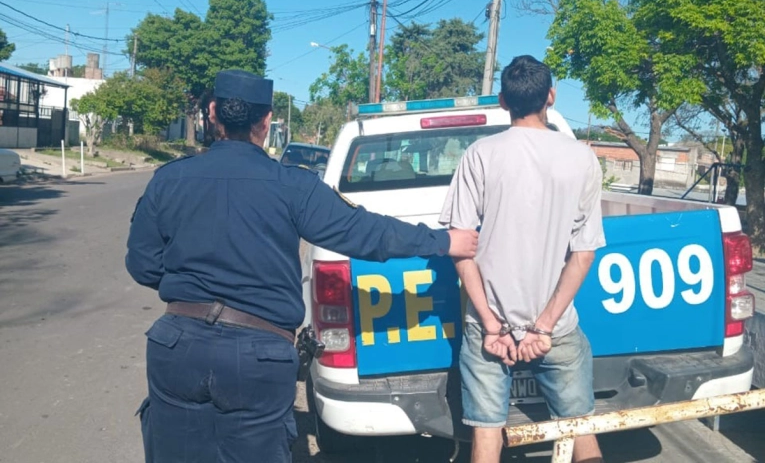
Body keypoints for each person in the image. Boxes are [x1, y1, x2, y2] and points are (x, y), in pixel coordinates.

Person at [126, 69, 479, 463]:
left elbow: (142, 265)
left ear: (212, 114)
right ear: (266, 121)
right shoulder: (293, 186)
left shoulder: (167, 179)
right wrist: (445, 241)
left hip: (177, 346)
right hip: (258, 356)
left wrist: (190, 289)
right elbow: (366, 234)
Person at [439, 55, 606, 463]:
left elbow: (461, 249)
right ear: (550, 96)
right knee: (579, 427)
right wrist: (544, 326)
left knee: (486, 437)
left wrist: (494, 325)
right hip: (557, 328)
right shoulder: (582, 158)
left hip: (488, 328)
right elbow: (583, 254)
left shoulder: (480, 154)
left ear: (502, 100)